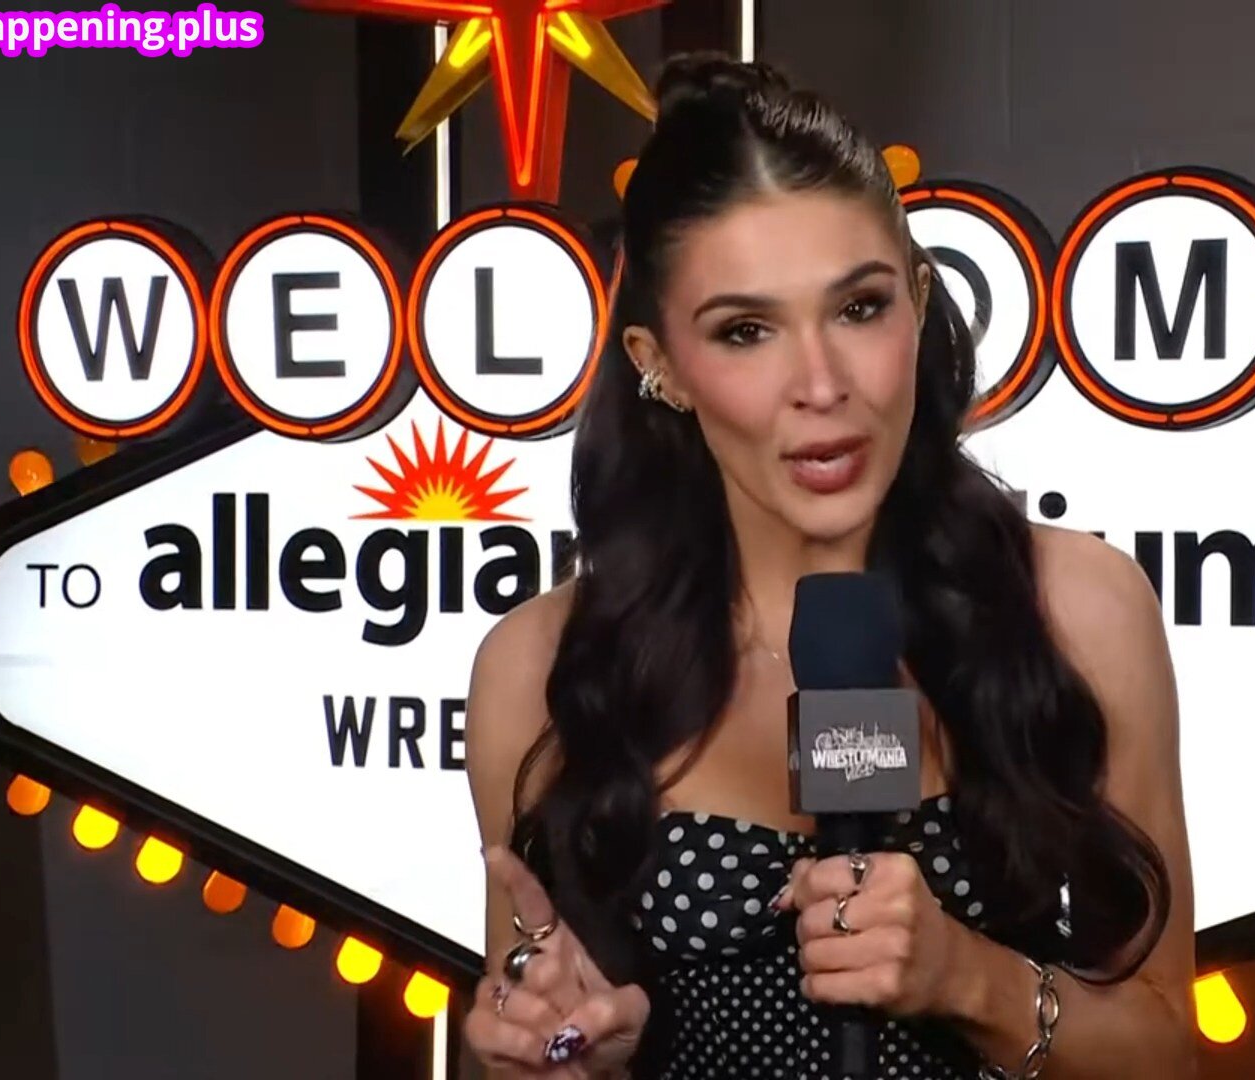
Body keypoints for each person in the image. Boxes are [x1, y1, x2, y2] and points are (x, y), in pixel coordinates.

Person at [459, 51, 1195, 1080]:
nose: (821, 384)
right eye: (746, 331)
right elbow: (539, 1021)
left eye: (858, 309)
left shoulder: (1078, 610)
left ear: (919, 302)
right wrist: (565, 1057)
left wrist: (966, 979)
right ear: (658, 365)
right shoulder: (538, 670)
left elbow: (1167, 1052)